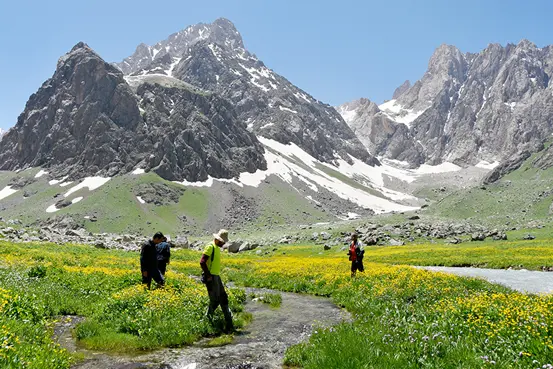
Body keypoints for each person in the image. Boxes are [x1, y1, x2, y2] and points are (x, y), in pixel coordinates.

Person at [200, 229, 234, 333]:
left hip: (216, 276)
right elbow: (202, 262)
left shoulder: (217, 248)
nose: (223, 243)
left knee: (223, 297)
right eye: (223, 241)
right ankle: (208, 320)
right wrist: (208, 275)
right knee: (215, 300)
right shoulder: (210, 247)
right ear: (218, 240)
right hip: (211, 277)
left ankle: (229, 322)